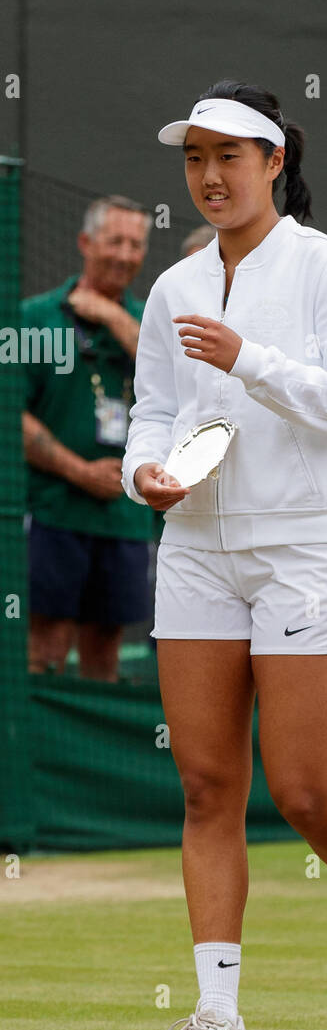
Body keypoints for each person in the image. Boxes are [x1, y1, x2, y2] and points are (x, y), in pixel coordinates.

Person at [121, 80, 327, 1030]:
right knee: (208, 784)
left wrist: (250, 358)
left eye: (230, 157)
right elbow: (152, 409)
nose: (210, 175)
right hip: (197, 552)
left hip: (305, 547)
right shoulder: (172, 289)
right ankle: (218, 1019)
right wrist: (145, 475)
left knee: (302, 790)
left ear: (274, 164)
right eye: (195, 159)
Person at [21, 195, 154, 681]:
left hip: (124, 519)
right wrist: (79, 472)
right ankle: (34, 754)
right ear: (85, 243)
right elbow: (10, 413)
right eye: (114, 241)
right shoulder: (35, 317)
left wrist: (114, 318)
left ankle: (92, 753)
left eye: (136, 244)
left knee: (106, 650)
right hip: (54, 511)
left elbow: (182, 384)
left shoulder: (147, 322)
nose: (124, 255)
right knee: (46, 645)